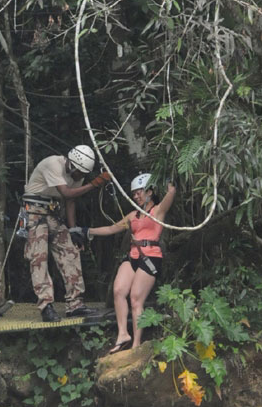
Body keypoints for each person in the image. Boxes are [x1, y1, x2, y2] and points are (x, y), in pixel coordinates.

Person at [80, 174, 176, 352]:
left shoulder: (158, 211)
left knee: (135, 299)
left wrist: (169, 177)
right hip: (133, 255)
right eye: (134, 194)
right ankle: (123, 334)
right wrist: (86, 231)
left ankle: (136, 345)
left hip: (150, 256)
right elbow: (111, 229)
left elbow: (171, 192)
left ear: (149, 191)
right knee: (118, 290)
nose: (136, 196)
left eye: (139, 192)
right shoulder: (133, 215)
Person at [22, 145, 110, 322]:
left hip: (53, 213)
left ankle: (75, 304)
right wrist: (95, 184)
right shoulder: (53, 164)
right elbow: (66, 191)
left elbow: (70, 200)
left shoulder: (77, 175)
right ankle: (46, 305)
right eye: (80, 173)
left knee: (70, 252)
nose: (80, 177)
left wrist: (73, 229)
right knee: (39, 258)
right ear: (73, 165)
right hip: (35, 212)